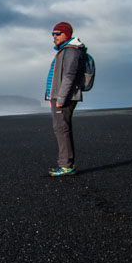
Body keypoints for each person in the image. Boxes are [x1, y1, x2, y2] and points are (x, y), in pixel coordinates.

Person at [45, 21, 85, 176]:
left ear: (66, 34)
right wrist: (51, 98)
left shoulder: (72, 51)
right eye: (52, 34)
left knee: (62, 129)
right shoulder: (64, 51)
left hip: (64, 97)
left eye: (57, 33)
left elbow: (69, 76)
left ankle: (66, 166)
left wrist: (61, 98)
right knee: (61, 129)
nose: (54, 36)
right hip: (57, 96)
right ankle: (66, 164)